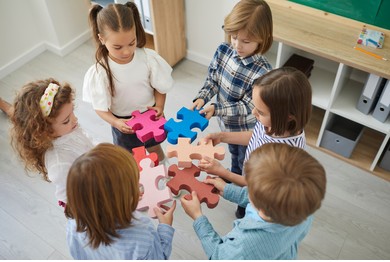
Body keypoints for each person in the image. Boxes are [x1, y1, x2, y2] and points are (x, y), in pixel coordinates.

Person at [191, 0, 273, 216]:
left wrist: (216, 108)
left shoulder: (263, 72)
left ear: (262, 39)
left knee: (247, 168)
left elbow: (248, 105)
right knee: (235, 161)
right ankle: (233, 190)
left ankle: (244, 206)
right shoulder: (224, 50)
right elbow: (213, 79)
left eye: (245, 41)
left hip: (247, 132)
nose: (237, 44)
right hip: (226, 127)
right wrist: (202, 97)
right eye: (234, 36)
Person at [181, 143, 326, 260]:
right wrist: (228, 189)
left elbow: (219, 258)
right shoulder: (303, 210)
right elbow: (257, 197)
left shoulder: (244, 245)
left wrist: (198, 217)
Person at [199, 67, 312, 218]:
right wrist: (223, 136)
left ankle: (242, 214)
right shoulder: (273, 123)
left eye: (261, 112)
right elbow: (256, 135)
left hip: (261, 197)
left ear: (288, 116)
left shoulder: (282, 157)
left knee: (247, 213)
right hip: (251, 172)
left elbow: (254, 184)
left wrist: (223, 172)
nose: (253, 113)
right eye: (255, 107)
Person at [83, 2, 173, 162]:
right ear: (101, 39)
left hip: (150, 116)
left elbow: (160, 87)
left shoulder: (147, 58)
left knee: (155, 150)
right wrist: (116, 122)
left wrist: (159, 106)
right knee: (133, 159)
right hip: (125, 125)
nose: (126, 51)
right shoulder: (101, 71)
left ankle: (164, 176)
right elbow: (100, 107)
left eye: (131, 43)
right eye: (117, 47)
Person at [65, 143, 176, 260]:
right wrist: (165, 227)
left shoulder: (73, 226)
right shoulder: (141, 233)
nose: (138, 189)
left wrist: (125, 199)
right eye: (134, 185)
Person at [9, 78, 95, 207]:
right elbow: (83, 199)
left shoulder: (67, 129)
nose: (75, 119)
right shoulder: (59, 166)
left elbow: (86, 142)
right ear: (43, 131)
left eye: (73, 112)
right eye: (66, 120)